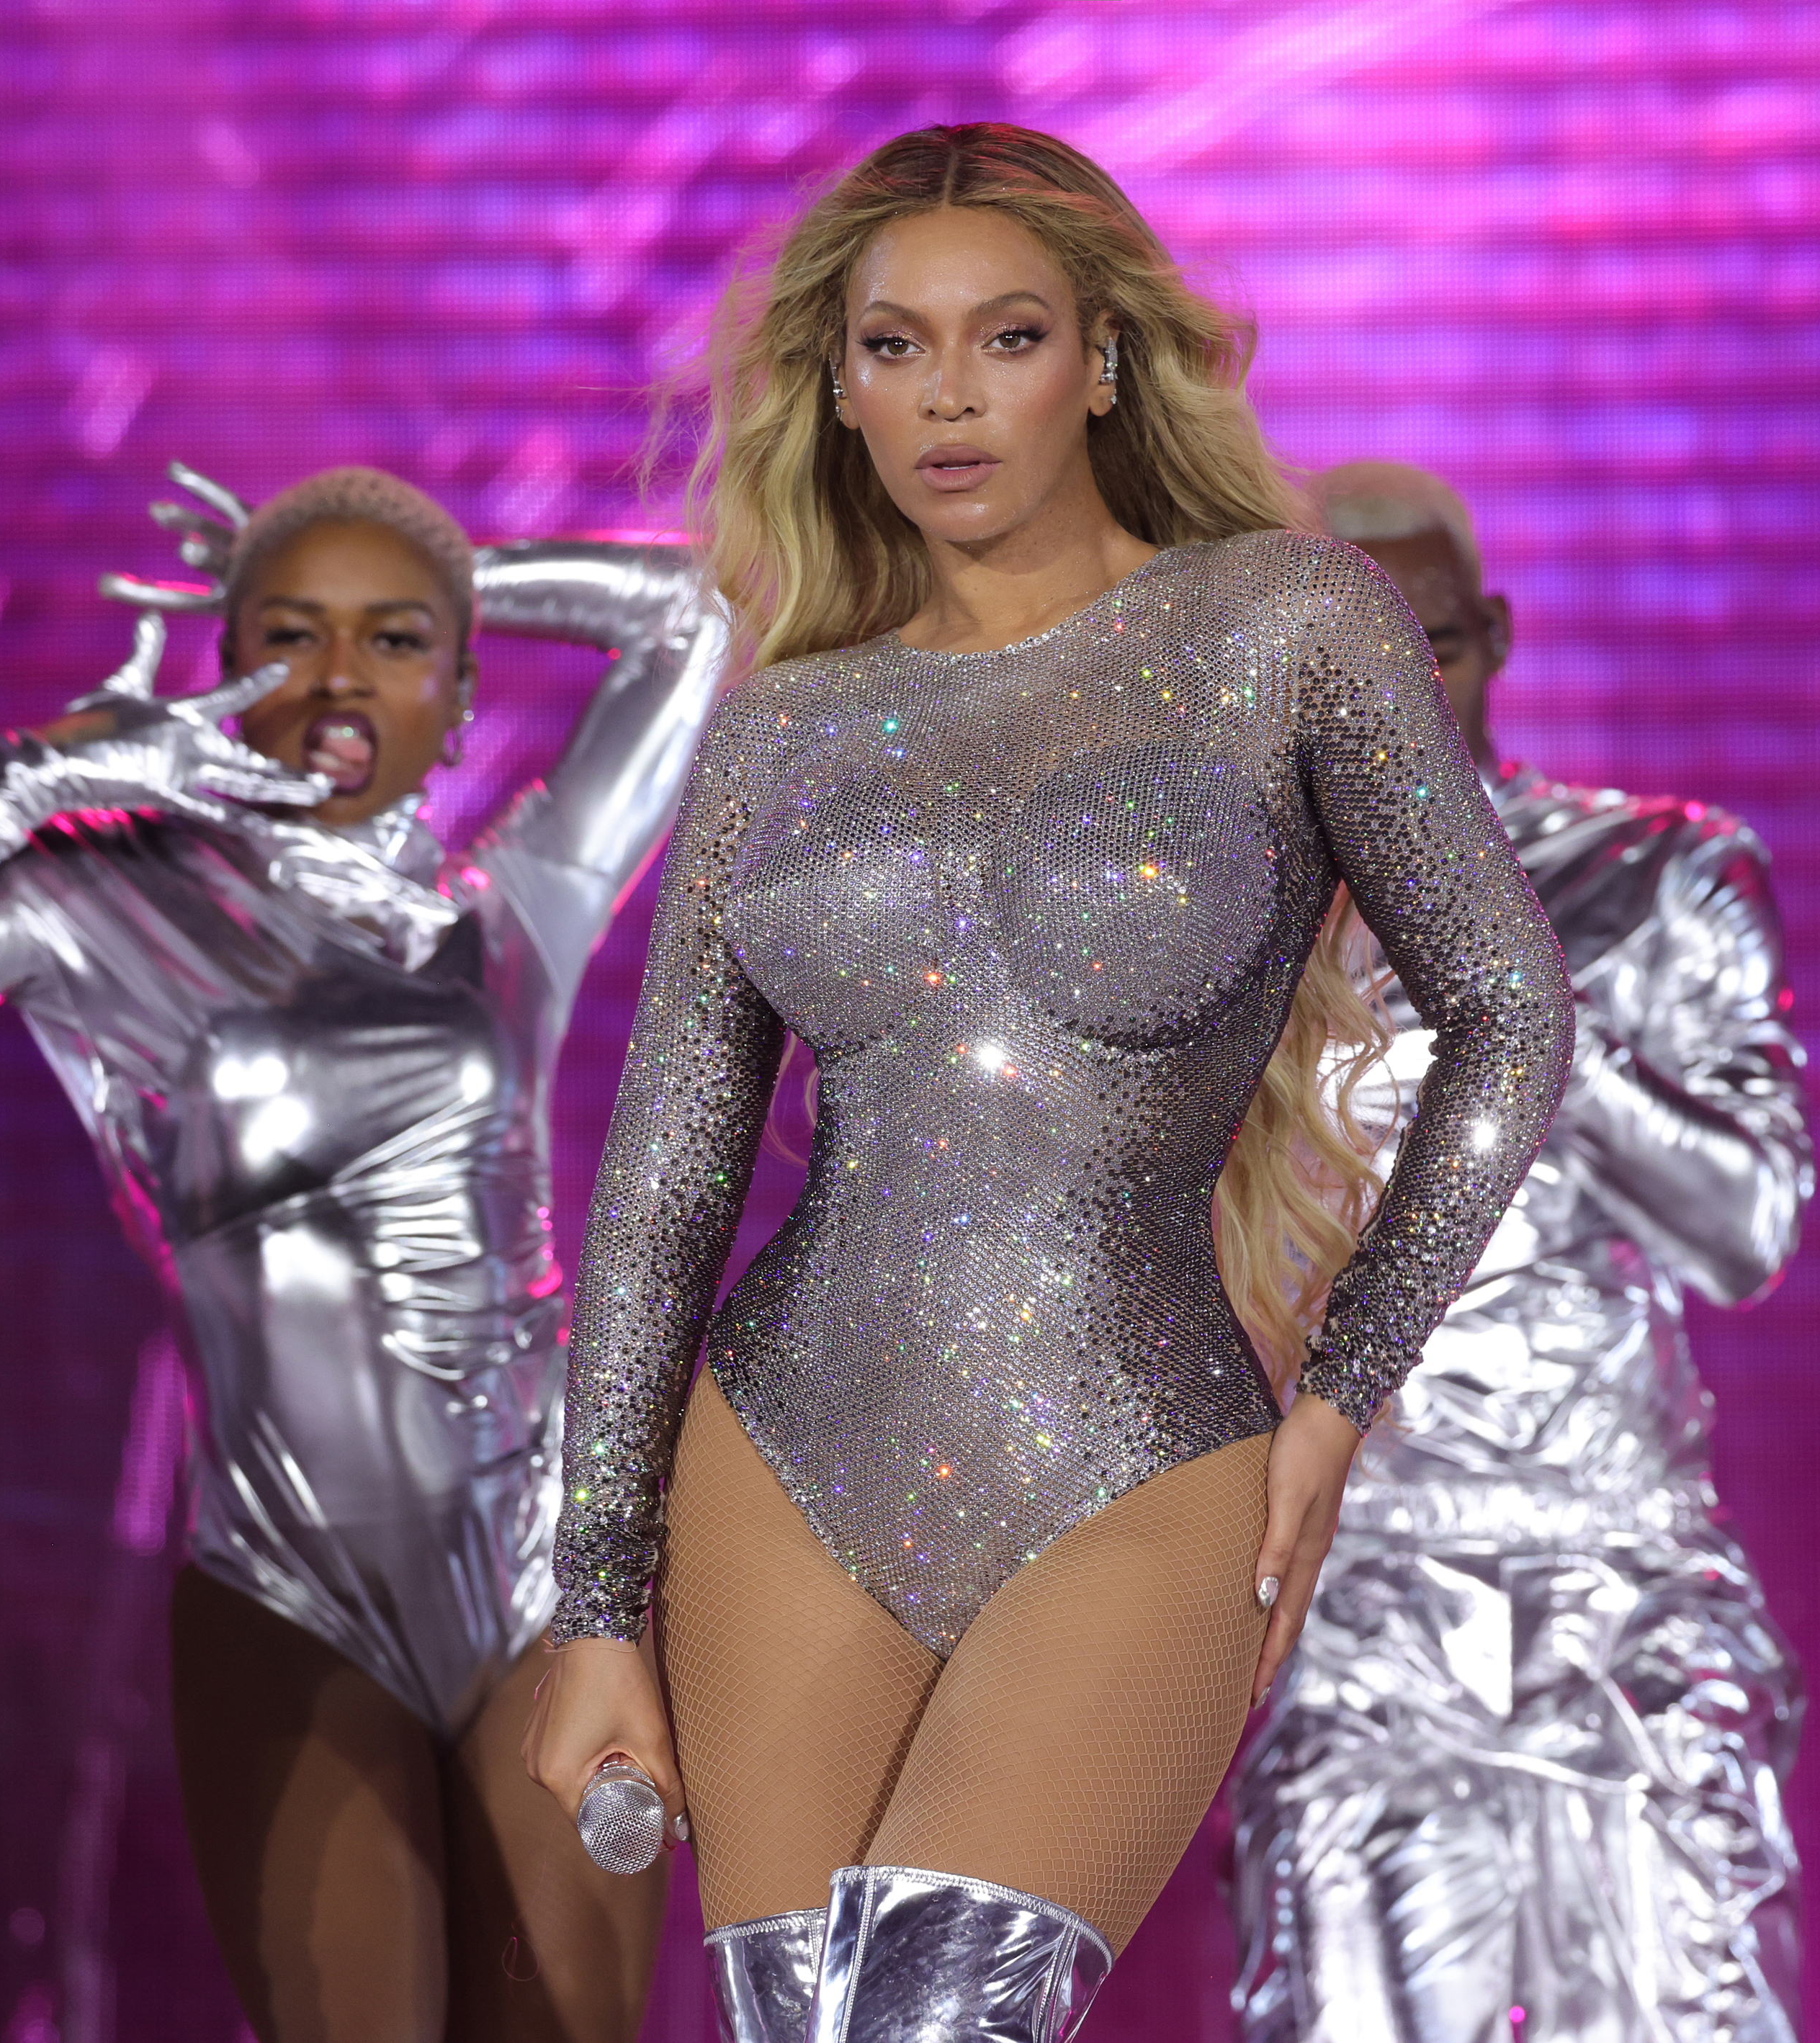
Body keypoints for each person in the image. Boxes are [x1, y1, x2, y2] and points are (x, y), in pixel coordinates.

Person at [516, 125, 1574, 2043]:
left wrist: (1337, 1399)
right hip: (779, 1467)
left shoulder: (1284, 625)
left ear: (1098, 358)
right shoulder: (786, 728)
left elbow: (1509, 1013)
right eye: (893, 346)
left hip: (1146, 1462)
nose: (946, 395)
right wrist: (599, 1598)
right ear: (835, 390)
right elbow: (664, 1185)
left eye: (1002, 338)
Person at [0, 464, 728, 2043]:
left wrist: (451, 566)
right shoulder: (105, 902)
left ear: (459, 699)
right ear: (220, 666)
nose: (335, 680)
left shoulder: (509, 912)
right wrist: (17, 787)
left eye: (394, 642)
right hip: (288, 1595)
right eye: (289, 636)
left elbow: (689, 615)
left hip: (554, 1600)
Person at [1228, 461, 1814, 2043]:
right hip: (1354, 1588)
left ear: (1494, 637)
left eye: (1436, 647)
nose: (1404, 695)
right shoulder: (1235, 922)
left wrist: (1520, 1006)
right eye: (1355, 663)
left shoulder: (1658, 876)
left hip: (1614, 1582)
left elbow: (1747, 1230)